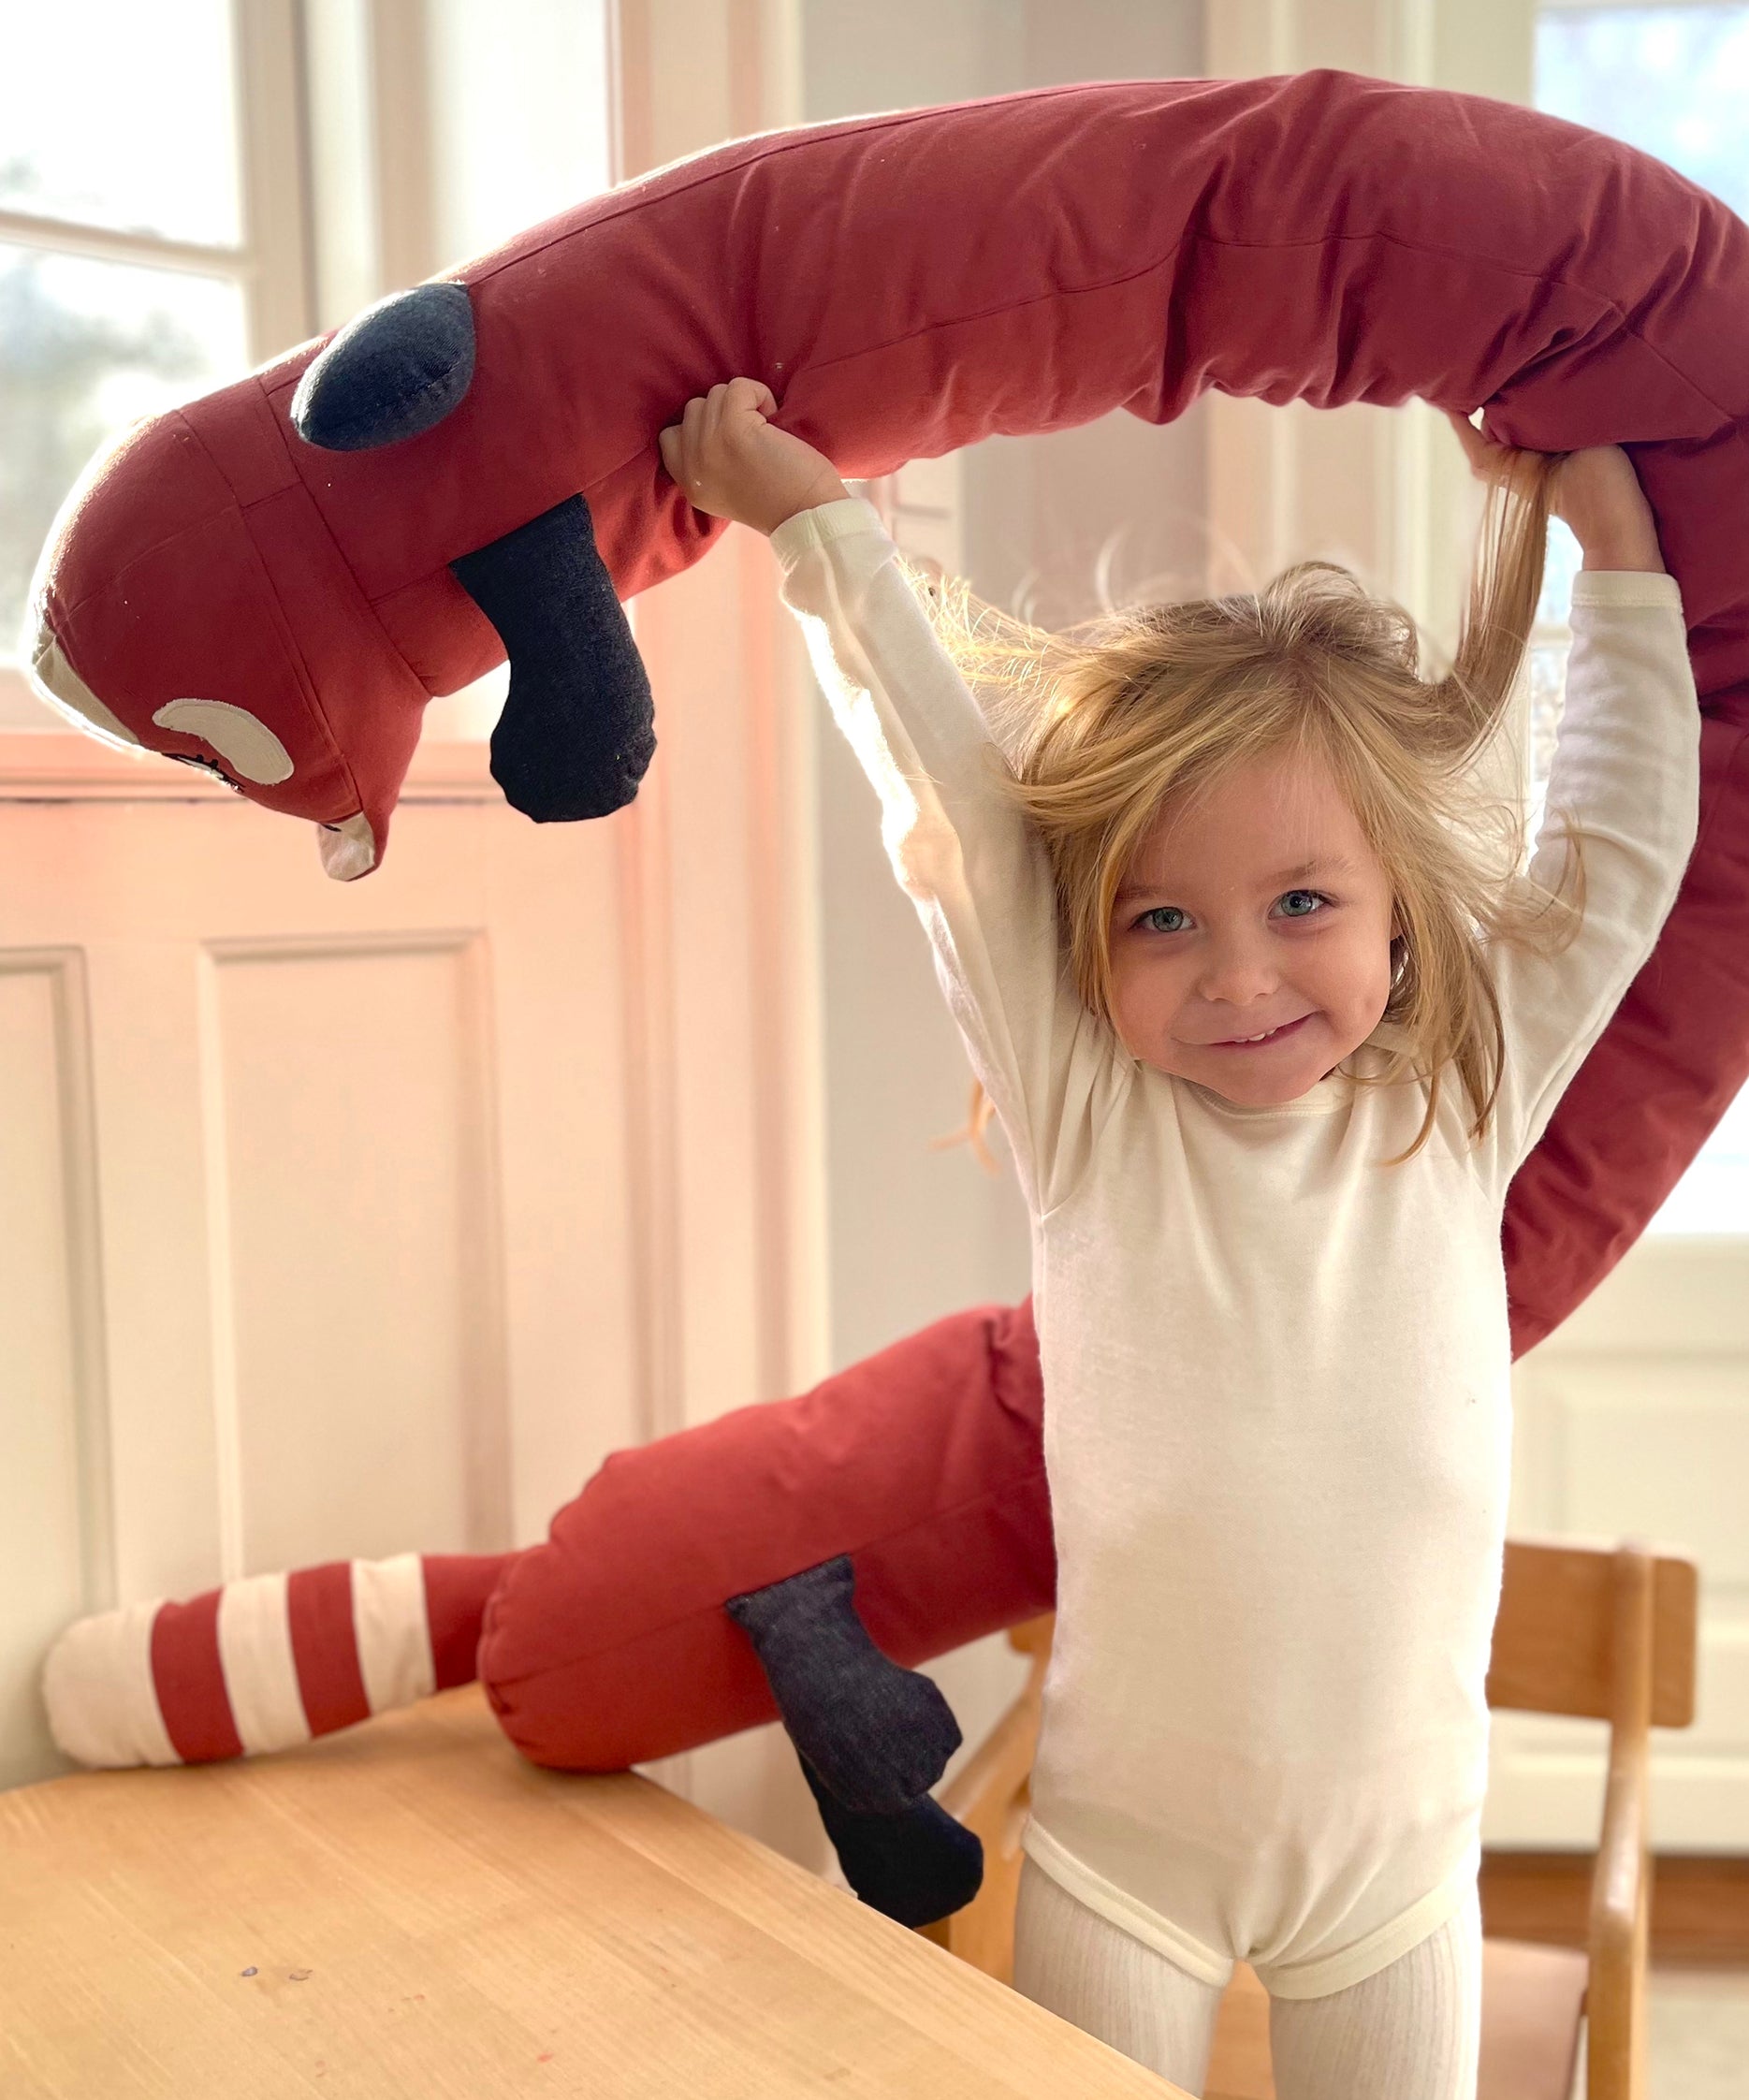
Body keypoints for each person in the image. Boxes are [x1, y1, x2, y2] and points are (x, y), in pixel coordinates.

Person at [658, 379, 1698, 2100]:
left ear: (1395, 909)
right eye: (1162, 919)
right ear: (1092, 941)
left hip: (1394, 1879)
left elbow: (1618, 840)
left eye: (1301, 903)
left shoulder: (1449, 1109)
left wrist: (1609, 552)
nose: (1234, 974)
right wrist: (813, 530)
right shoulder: (1090, 1112)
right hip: (1121, 1866)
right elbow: (960, 825)